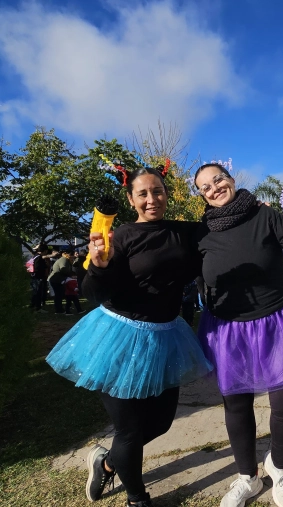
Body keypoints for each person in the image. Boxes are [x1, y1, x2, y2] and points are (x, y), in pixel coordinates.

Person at [46, 166, 212, 507]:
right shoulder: (120, 236)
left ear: (168, 194)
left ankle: (106, 462)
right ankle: (137, 499)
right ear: (131, 199)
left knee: (162, 423)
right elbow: (93, 293)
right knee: (130, 431)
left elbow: (222, 226)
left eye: (158, 191)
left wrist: (257, 213)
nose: (152, 199)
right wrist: (99, 265)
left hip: (165, 337)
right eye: (143, 193)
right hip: (119, 338)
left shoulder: (185, 232)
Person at [193, 163, 283, 507]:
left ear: (231, 179)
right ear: (202, 195)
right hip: (227, 330)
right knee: (237, 406)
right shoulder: (200, 232)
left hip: (276, 322)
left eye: (218, 179)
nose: (214, 188)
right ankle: (247, 478)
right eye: (205, 187)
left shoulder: (264, 215)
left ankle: (278, 466)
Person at [30, 244, 50, 312]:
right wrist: (44, 267)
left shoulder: (35, 256)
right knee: (38, 293)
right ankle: (37, 307)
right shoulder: (39, 258)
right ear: (45, 251)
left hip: (34, 276)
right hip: (38, 277)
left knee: (35, 292)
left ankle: (33, 305)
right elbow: (38, 267)